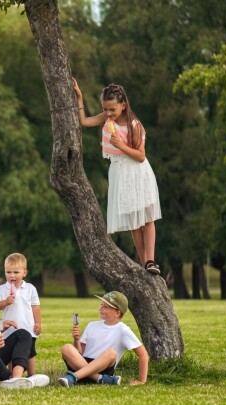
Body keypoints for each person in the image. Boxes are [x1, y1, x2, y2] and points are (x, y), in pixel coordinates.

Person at [74, 80, 162, 275]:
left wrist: (121, 145)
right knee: (133, 221)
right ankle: (144, 263)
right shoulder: (107, 119)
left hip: (137, 172)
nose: (108, 114)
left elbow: (140, 156)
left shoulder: (134, 125)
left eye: (112, 109)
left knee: (147, 218)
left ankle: (151, 260)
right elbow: (84, 121)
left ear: (123, 105)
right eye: (105, 109)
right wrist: (80, 98)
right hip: (120, 173)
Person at [57, 291, 148, 387]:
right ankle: (100, 379)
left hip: (103, 369)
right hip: (81, 365)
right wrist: (76, 340)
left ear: (117, 312)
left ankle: (73, 377)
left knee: (111, 353)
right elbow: (80, 353)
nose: (101, 309)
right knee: (67, 347)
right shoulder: (91, 325)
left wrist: (141, 380)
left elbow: (143, 355)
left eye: (106, 307)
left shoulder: (123, 330)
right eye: (101, 305)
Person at [0, 253, 41, 376]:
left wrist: (38, 322)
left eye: (16, 272)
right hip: (9, 330)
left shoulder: (30, 288)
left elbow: (35, 307)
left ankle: (32, 375)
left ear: (24, 273)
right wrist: (5, 302)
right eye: (8, 272)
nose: (12, 275)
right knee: (12, 353)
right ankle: (12, 375)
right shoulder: (1, 289)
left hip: (28, 327)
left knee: (30, 352)